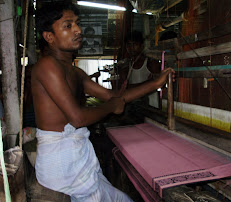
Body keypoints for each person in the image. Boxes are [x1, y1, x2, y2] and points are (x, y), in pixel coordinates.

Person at [33, 2, 174, 202]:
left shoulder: (75, 72)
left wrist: (156, 83)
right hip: (62, 165)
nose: (78, 30)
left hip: (76, 161)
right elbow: (78, 118)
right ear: (49, 37)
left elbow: (115, 96)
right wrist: (112, 106)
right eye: (68, 25)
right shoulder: (47, 66)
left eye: (77, 23)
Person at [118, 30, 162, 123]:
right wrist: (149, 83)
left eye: (135, 44)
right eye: (129, 45)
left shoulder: (151, 63)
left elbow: (159, 84)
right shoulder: (126, 67)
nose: (131, 48)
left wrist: (152, 84)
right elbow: (123, 90)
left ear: (141, 45)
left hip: (151, 108)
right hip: (134, 110)